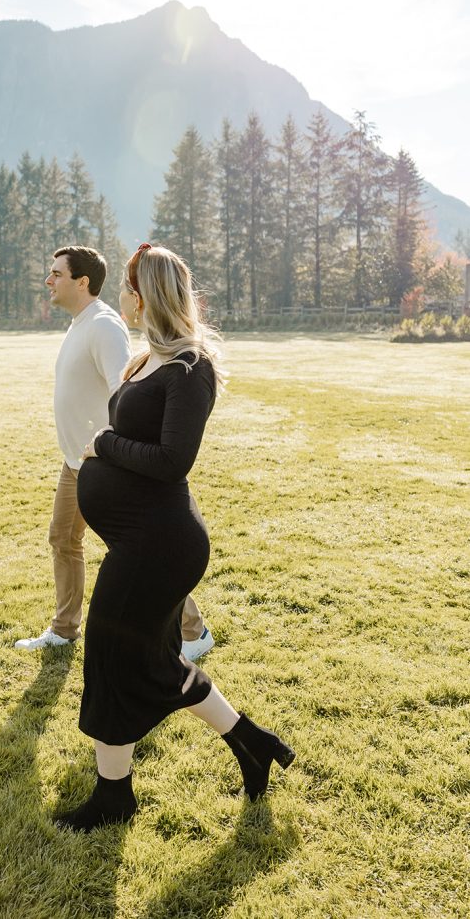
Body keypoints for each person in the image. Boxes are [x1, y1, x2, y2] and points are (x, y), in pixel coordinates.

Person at [55, 244, 295, 832]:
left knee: (111, 659)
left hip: (160, 546)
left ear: (147, 294)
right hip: (139, 540)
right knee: (149, 658)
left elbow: (171, 461)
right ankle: (252, 743)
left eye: (129, 289)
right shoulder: (146, 359)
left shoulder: (191, 367)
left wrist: (102, 446)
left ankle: (114, 799)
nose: (123, 299)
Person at [14, 244, 215, 660]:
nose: (48, 281)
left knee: (132, 552)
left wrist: (106, 445)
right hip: (78, 461)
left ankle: (193, 629)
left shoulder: (105, 326)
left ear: (82, 281)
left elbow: (125, 397)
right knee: (64, 539)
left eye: (56, 274)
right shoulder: (80, 324)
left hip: (105, 463)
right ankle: (65, 628)